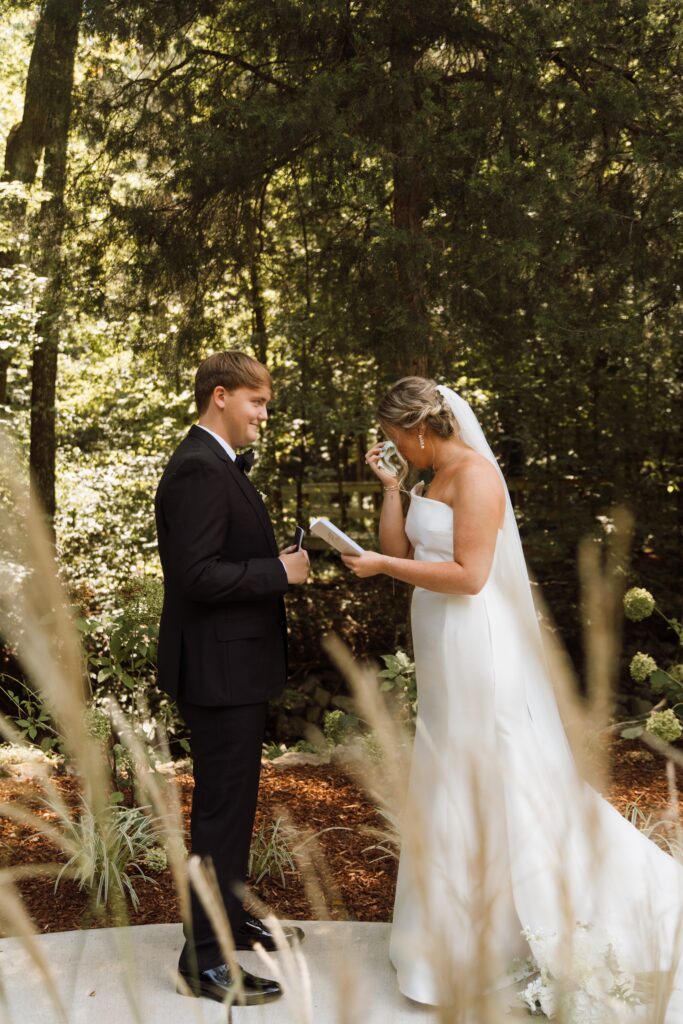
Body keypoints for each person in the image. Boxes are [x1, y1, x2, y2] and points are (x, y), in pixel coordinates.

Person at [342, 376, 683, 1016]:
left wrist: (386, 568)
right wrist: (391, 490)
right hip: (441, 651)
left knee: (497, 770)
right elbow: (397, 549)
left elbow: (470, 576)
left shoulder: (476, 477)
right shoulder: (424, 479)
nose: (397, 450)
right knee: (447, 773)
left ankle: (508, 937)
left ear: (418, 428)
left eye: (395, 441)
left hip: (477, 645)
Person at [155, 350, 309, 1005]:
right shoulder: (196, 468)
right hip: (217, 672)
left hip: (233, 667)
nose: (263, 416)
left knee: (233, 805)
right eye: (257, 404)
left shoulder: (214, 464)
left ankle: (229, 917)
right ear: (220, 396)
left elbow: (218, 559)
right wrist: (279, 573)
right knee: (220, 812)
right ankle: (205, 961)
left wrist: (272, 562)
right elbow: (193, 576)